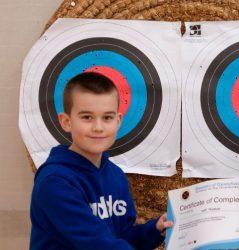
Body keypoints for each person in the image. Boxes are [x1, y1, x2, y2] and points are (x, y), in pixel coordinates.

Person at [30, 72, 172, 250]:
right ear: (66, 122)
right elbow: (98, 244)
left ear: (118, 121)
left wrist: (155, 229)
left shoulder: (115, 175)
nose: (98, 128)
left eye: (107, 118)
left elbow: (122, 237)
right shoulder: (55, 181)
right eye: (87, 117)